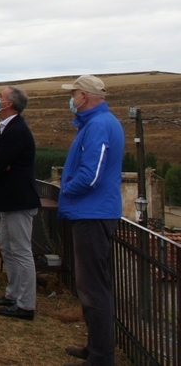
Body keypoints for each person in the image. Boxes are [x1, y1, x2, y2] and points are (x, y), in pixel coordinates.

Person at [58, 76, 124, 366]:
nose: (71, 98)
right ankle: (95, 346)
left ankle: (101, 356)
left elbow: (91, 174)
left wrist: (66, 188)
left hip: (92, 213)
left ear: (84, 96)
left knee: (92, 287)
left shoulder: (97, 126)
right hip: (93, 211)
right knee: (93, 286)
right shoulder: (99, 123)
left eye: (73, 93)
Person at [0, 86, 40, 321]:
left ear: (9, 104)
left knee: (21, 250)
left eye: (0, 97)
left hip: (18, 199)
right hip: (7, 199)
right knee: (6, 248)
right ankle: (13, 294)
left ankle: (26, 304)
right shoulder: (4, 128)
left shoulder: (17, 130)